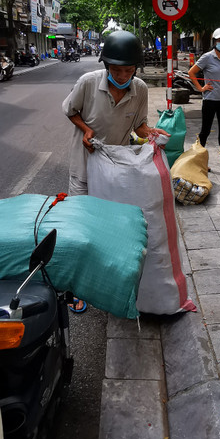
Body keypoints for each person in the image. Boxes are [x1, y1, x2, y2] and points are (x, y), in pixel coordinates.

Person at [62, 30, 170, 313]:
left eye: (128, 70)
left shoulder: (140, 90)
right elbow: (70, 111)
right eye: (116, 70)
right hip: (85, 165)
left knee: (110, 226)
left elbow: (138, 127)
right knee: (82, 226)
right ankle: (77, 287)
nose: (122, 76)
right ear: (105, 65)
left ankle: (110, 281)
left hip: (115, 169)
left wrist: (151, 133)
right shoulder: (87, 83)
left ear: (136, 69)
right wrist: (86, 130)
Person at [188, 27, 220, 168]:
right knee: (205, 130)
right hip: (210, 99)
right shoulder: (207, 57)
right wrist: (201, 88)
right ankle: (199, 161)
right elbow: (191, 73)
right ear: (215, 42)